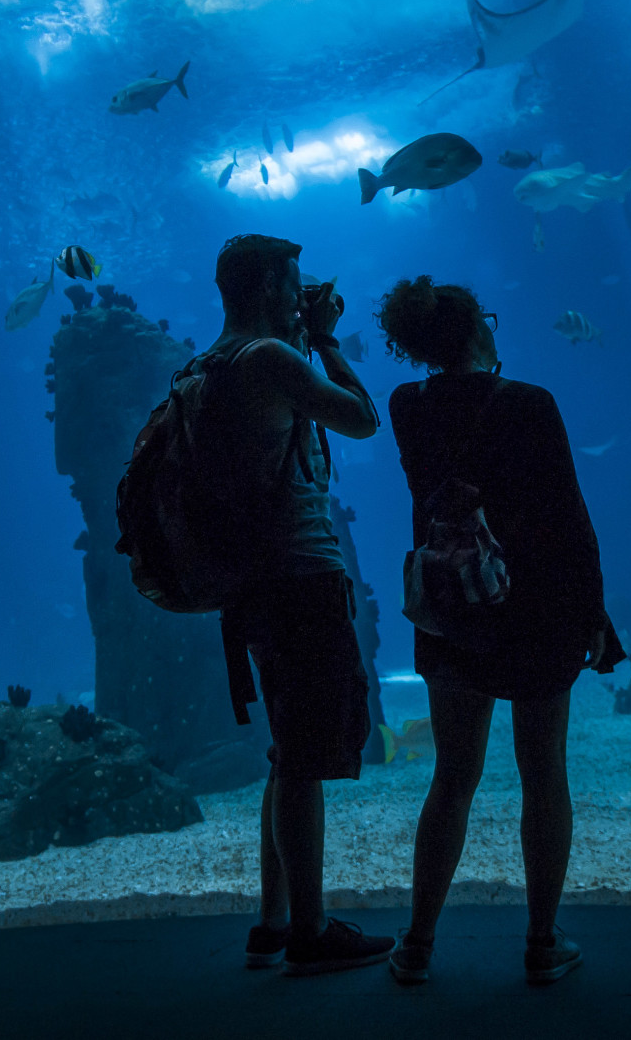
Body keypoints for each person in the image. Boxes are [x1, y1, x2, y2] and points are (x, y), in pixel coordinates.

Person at [376, 277, 627, 986]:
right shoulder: (528, 402)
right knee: (542, 770)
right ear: (477, 332)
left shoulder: (407, 406)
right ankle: (542, 943)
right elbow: (568, 517)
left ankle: (416, 944)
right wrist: (595, 611)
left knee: (452, 778)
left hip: (452, 608)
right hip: (537, 609)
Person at [200, 234, 392, 976]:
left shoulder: (211, 363)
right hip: (295, 576)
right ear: (271, 289)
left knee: (287, 752)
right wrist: (327, 340)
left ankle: (272, 919)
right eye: (294, 284)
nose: (300, 293)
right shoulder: (271, 359)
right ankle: (311, 929)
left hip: (255, 583)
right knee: (309, 753)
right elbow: (359, 418)